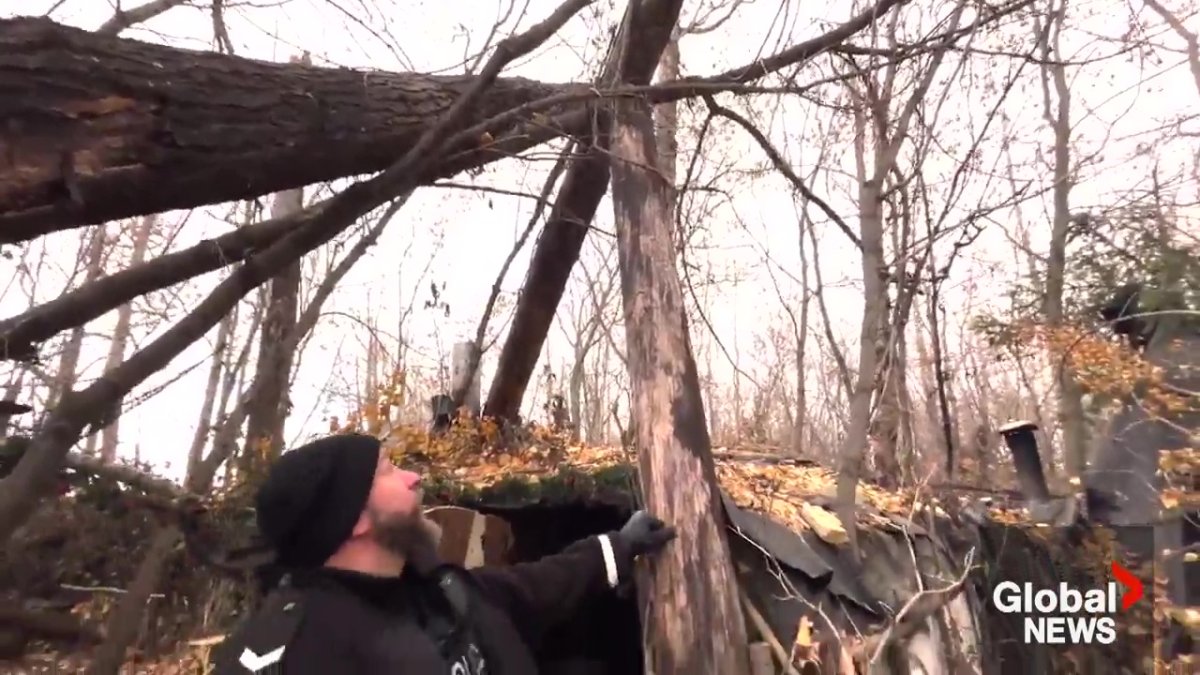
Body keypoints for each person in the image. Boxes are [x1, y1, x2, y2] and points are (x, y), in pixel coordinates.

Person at [210, 433, 676, 674]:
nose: (413, 478)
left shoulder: (434, 591)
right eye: (389, 472)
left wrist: (621, 544)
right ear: (354, 519)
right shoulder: (290, 655)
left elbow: (535, 587)